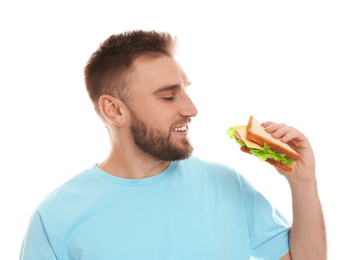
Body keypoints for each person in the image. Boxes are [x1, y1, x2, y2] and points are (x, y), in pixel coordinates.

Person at [19, 30, 327, 260]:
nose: (191, 109)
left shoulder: (226, 184)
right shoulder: (55, 217)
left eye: (185, 92)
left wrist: (303, 182)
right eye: (168, 96)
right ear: (114, 110)